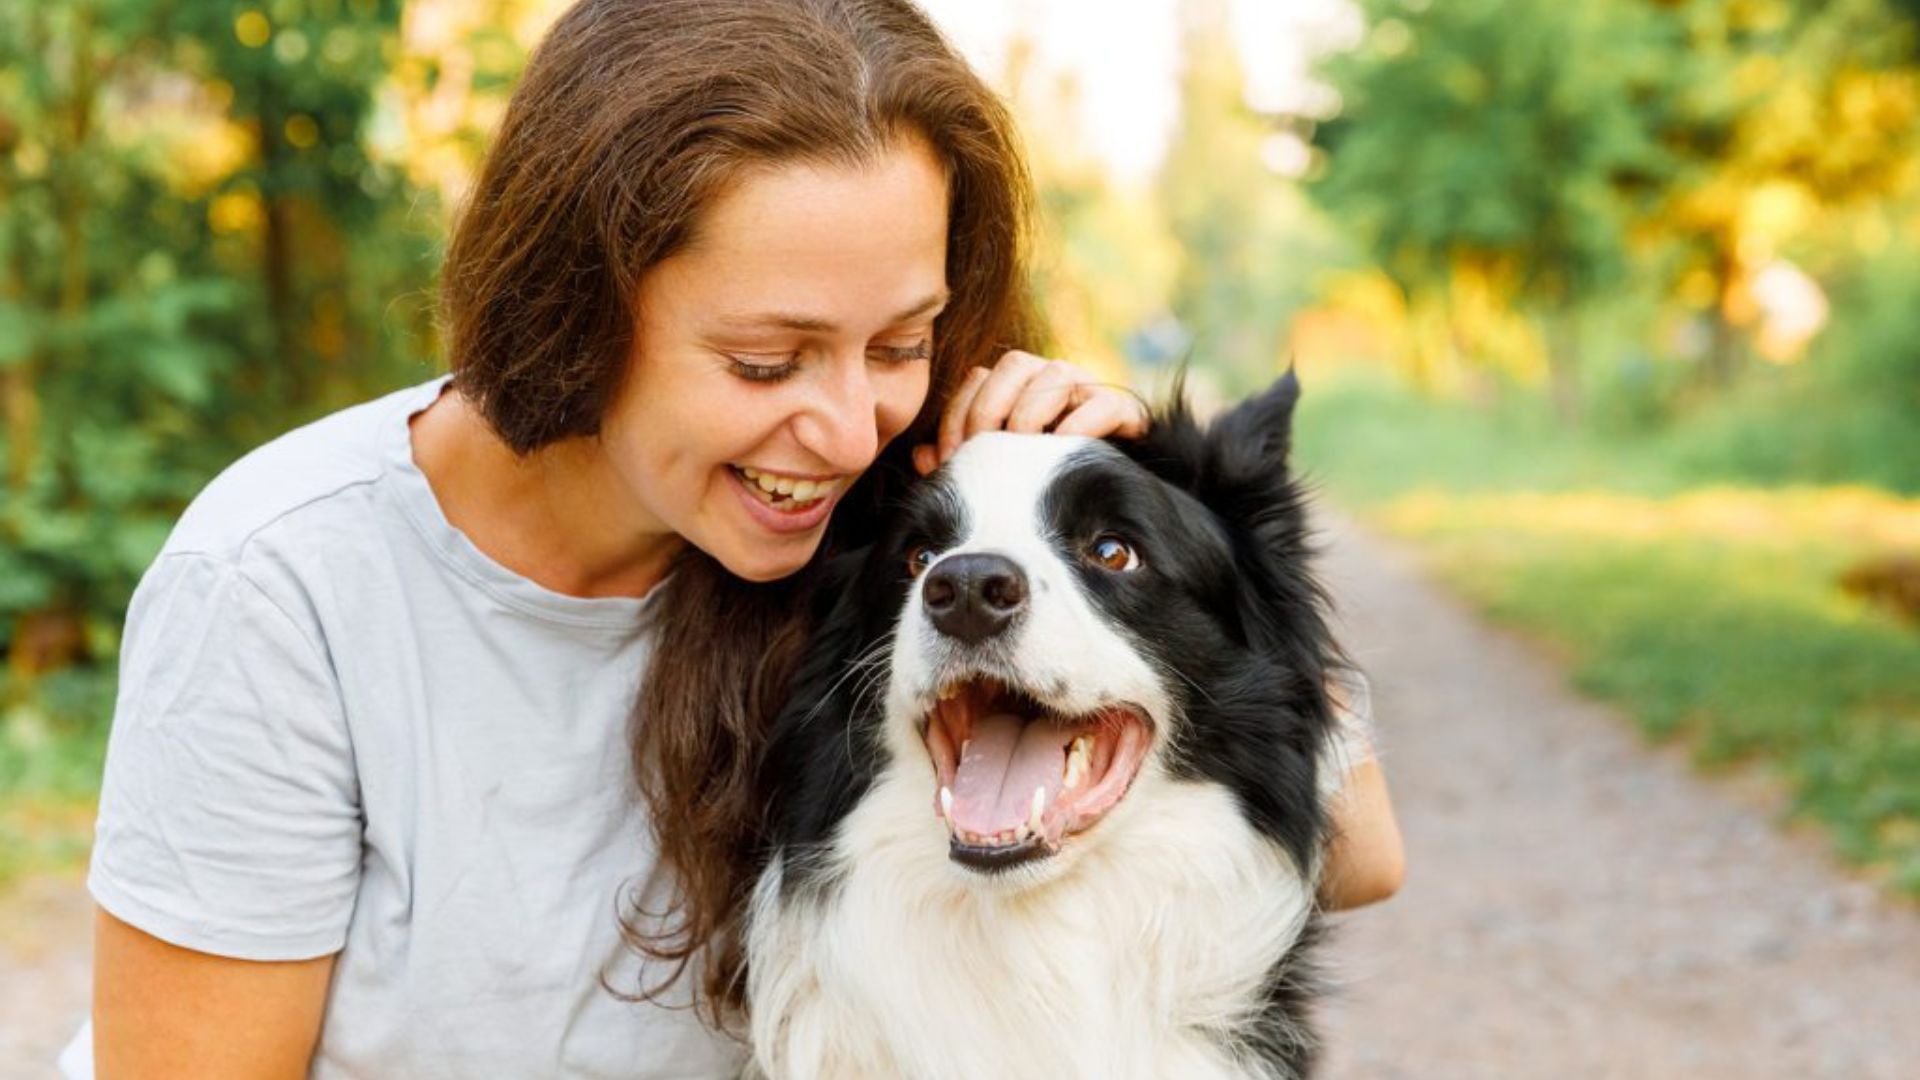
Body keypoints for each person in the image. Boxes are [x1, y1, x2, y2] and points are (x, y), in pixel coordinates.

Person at [80, 0, 1404, 1076]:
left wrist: (1152, 513)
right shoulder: (280, 582)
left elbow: (1357, 851)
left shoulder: (898, 526)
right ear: (577, 305)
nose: (841, 427)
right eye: (769, 360)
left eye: (899, 342)